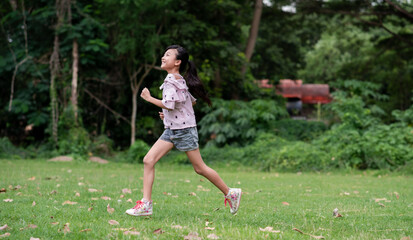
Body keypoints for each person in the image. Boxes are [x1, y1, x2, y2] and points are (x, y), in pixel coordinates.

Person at [125, 45, 241, 216]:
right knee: (148, 160)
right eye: (164, 54)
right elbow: (188, 103)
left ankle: (230, 193)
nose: (163, 57)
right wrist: (170, 116)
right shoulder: (178, 79)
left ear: (177, 62)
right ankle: (146, 205)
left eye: (168, 55)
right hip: (172, 129)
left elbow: (170, 104)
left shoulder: (172, 81)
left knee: (199, 168)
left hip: (184, 131)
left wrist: (149, 98)